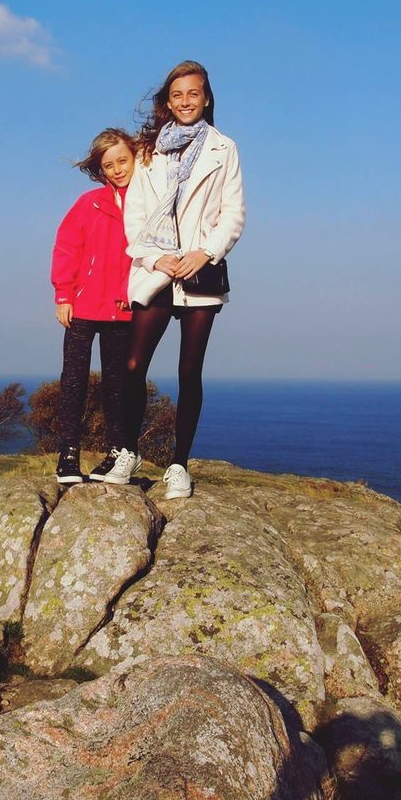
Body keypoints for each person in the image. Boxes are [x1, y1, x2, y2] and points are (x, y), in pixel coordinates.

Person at [102, 60, 245, 499]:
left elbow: (233, 214)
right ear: (168, 101)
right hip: (157, 272)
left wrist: (203, 252)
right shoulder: (148, 151)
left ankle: (179, 465)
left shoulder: (225, 148)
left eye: (194, 94)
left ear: (206, 98)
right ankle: (127, 450)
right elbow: (137, 216)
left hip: (202, 276)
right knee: (132, 366)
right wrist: (158, 258)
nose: (186, 101)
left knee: (189, 371)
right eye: (177, 95)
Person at [49, 128, 138, 485]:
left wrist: (129, 291)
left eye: (122, 161)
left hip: (124, 308)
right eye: (109, 165)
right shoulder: (89, 203)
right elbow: (66, 248)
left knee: (117, 385)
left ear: (136, 159)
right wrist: (63, 295)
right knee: (73, 382)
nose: (117, 169)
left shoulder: (148, 204)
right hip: (82, 308)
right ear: (100, 170)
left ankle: (117, 453)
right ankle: (68, 454)